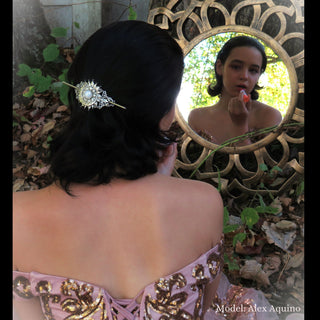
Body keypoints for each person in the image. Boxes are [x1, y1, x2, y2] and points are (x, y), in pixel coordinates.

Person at [13, 21, 278, 320]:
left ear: (77, 96)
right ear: (166, 112)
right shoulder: (204, 203)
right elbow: (204, 311)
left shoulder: (18, 217)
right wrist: (159, 187)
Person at [188, 36, 282, 146]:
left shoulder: (269, 116)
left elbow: (255, 161)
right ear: (220, 67)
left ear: (259, 75)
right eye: (236, 67)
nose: (244, 76)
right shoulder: (197, 117)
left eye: (253, 70)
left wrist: (240, 125)